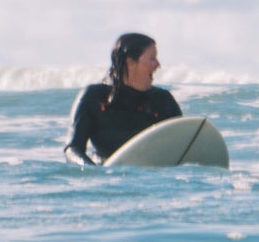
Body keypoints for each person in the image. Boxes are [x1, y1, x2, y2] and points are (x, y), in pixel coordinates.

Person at [64, 33, 182, 165]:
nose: (158, 65)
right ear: (130, 62)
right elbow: (72, 149)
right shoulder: (93, 97)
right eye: (152, 58)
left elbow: (184, 145)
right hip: (109, 174)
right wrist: (92, 170)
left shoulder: (163, 100)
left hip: (152, 175)